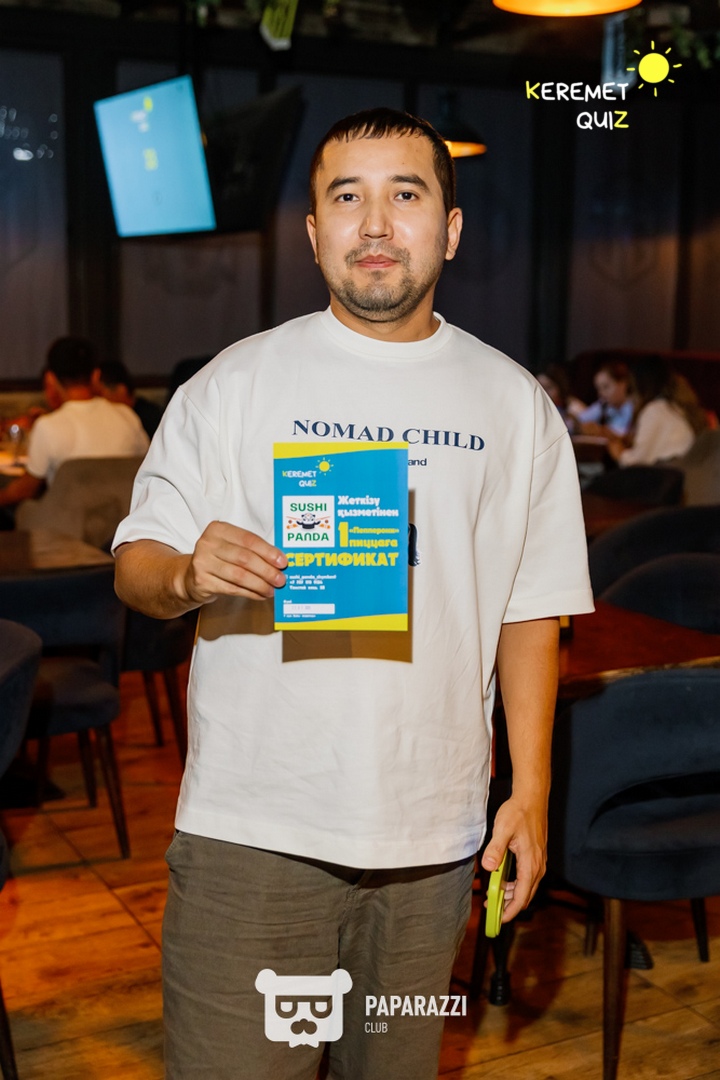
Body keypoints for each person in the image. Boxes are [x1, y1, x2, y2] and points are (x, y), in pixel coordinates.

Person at [113, 108, 593, 1080]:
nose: (375, 223)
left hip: (434, 842)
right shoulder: (235, 385)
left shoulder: (515, 405)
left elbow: (529, 609)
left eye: (404, 194)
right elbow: (136, 566)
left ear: (449, 230)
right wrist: (188, 572)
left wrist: (531, 793)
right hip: (254, 832)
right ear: (313, 231)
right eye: (347, 197)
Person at [0, 337, 149, 513]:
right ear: (96, 375)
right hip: (122, 519)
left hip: (66, 523)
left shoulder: (48, 426)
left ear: (51, 379)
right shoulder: (127, 416)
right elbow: (148, 467)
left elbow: (25, 490)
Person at [607, 355, 707, 467]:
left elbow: (638, 463)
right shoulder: (675, 407)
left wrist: (619, 454)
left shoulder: (655, 410)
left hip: (668, 474)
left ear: (641, 386)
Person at [92, 359, 164, 438]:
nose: (98, 401)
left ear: (121, 390)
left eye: (99, 395)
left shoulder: (150, 417)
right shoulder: (105, 419)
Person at [576, 360, 633, 437]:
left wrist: (604, 431)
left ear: (622, 384)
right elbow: (579, 420)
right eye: (599, 389)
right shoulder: (602, 406)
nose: (601, 394)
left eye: (606, 387)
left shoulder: (634, 409)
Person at [536, 364, 586, 431]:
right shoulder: (535, 411)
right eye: (541, 388)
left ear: (559, 386)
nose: (545, 393)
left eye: (549, 388)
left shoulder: (574, 407)